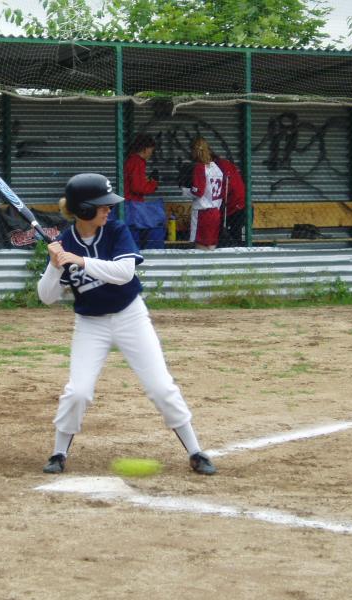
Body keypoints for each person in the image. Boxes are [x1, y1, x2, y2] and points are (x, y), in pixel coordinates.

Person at [36, 173, 217, 476]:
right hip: (91, 324)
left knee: (161, 387)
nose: (109, 210)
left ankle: (196, 451)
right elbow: (46, 297)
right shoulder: (65, 242)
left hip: (130, 316)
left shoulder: (117, 231)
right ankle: (58, 453)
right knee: (78, 391)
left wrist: (80, 261)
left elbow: (124, 272)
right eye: (102, 206)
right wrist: (55, 268)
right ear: (84, 211)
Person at [179, 136, 224, 250]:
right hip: (215, 212)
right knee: (211, 246)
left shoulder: (200, 167)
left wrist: (185, 190)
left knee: (200, 246)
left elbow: (198, 191)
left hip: (203, 212)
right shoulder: (215, 167)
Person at [124, 134, 165, 249]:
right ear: (146, 148)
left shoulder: (131, 160)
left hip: (130, 205)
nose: (151, 153)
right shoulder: (138, 162)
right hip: (133, 207)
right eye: (151, 149)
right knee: (137, 237)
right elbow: (137, 187)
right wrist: (153, 184)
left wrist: (148, 181)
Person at [213, 152, 246, 247]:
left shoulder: (218, 167)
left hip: (237, 208)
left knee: (237, 239)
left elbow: (228, 187)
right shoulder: (225, 164)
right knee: (238, 240)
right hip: (240, 207)